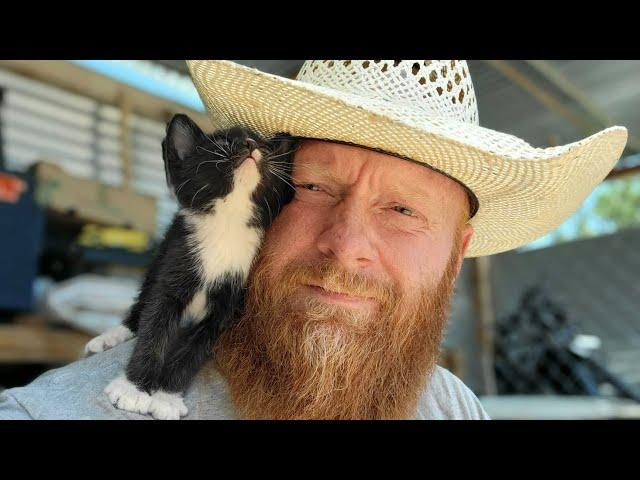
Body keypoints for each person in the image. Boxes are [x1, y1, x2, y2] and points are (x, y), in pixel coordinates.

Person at [0, 60, 627, 419]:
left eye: (404, 209)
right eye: (312, 189)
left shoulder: (449, 405)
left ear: (456, 255)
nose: (346, 244)